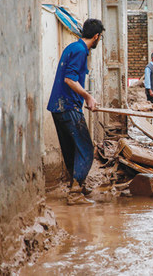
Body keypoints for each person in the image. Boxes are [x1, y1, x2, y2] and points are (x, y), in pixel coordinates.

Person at [47, 18, 104, 205]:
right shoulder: (81, 51)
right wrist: (88, 97)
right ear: (96, 36)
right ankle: (75, 192)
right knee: (86, 148)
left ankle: (77, 184)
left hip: (58, 107)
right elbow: (70, 80)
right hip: (68, 106)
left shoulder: (72, 47)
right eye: (99, 38)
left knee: (72, 149)